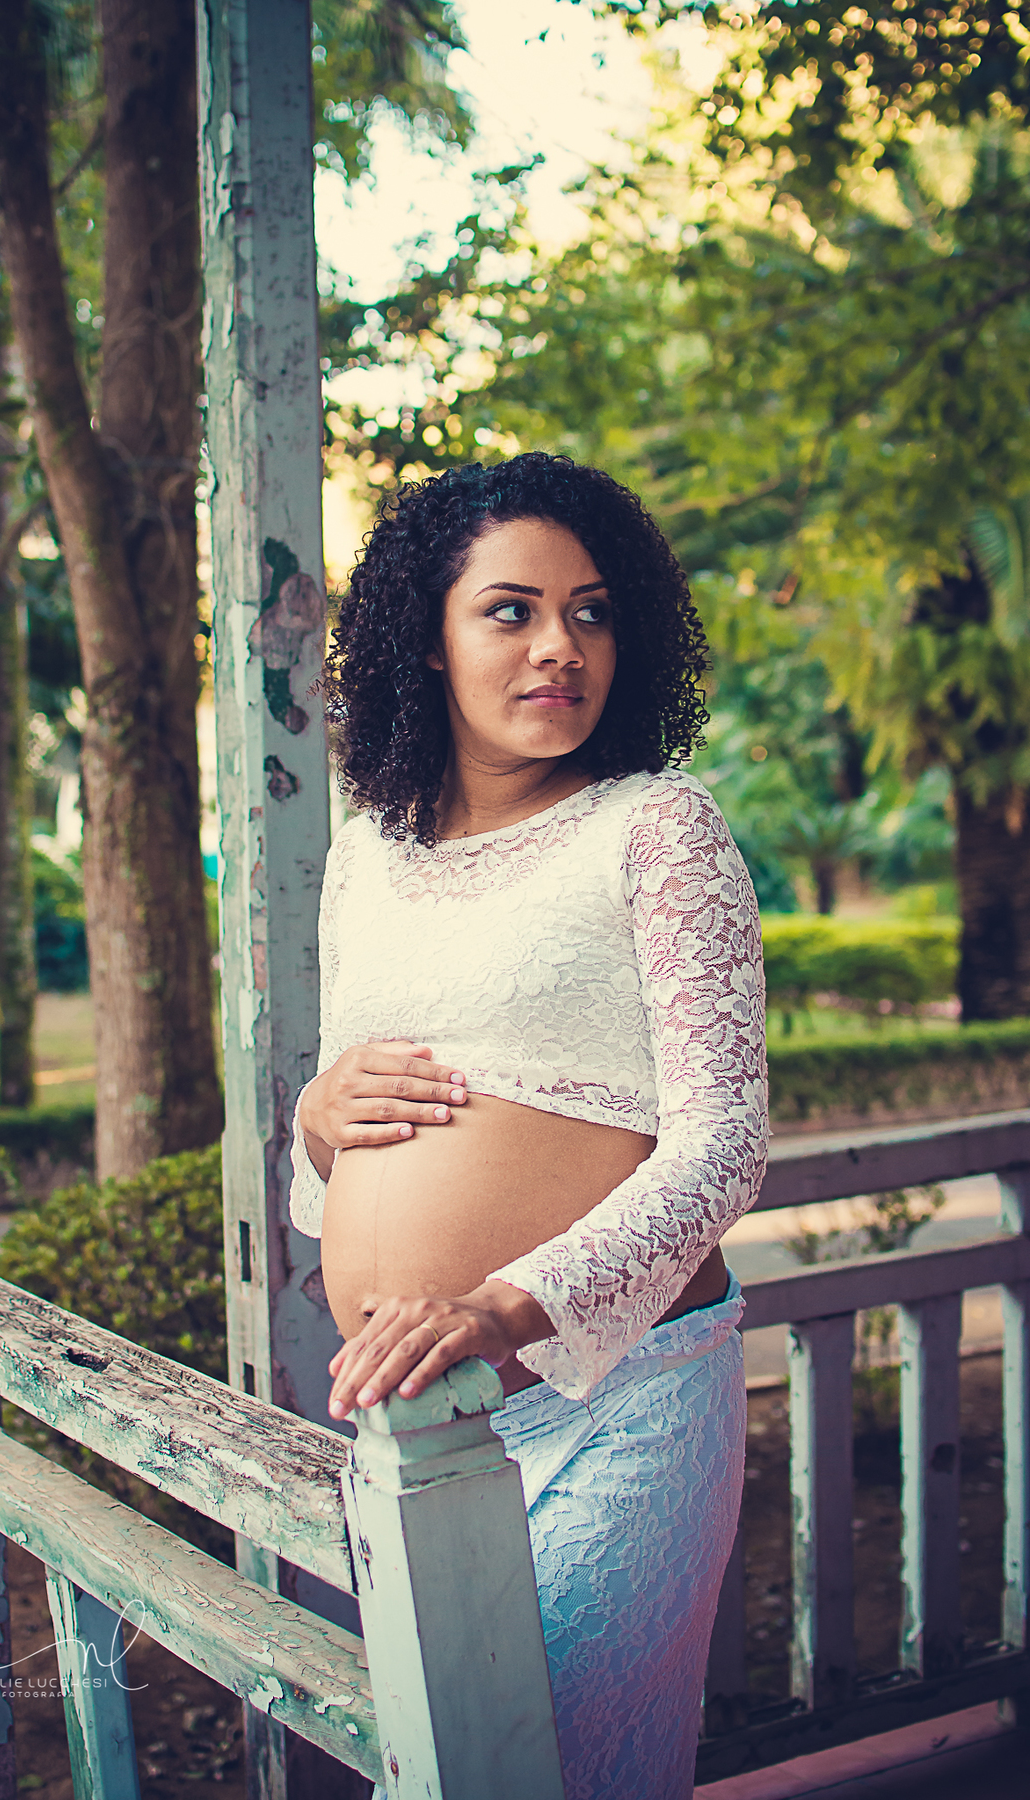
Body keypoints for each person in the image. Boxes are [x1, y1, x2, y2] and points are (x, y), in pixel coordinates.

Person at [288, 453, 768, 1799]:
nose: (562, 647)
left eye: (594, 610)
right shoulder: (367, 847)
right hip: (416, 1432)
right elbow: (324, 1159)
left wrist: (506, 1306)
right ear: (427, 642)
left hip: (620, 1405)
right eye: (511, 610)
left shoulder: (656, 830)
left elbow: (724, 1143)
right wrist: (319, 1121)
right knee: (444, 1767)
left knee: (546, 1770)